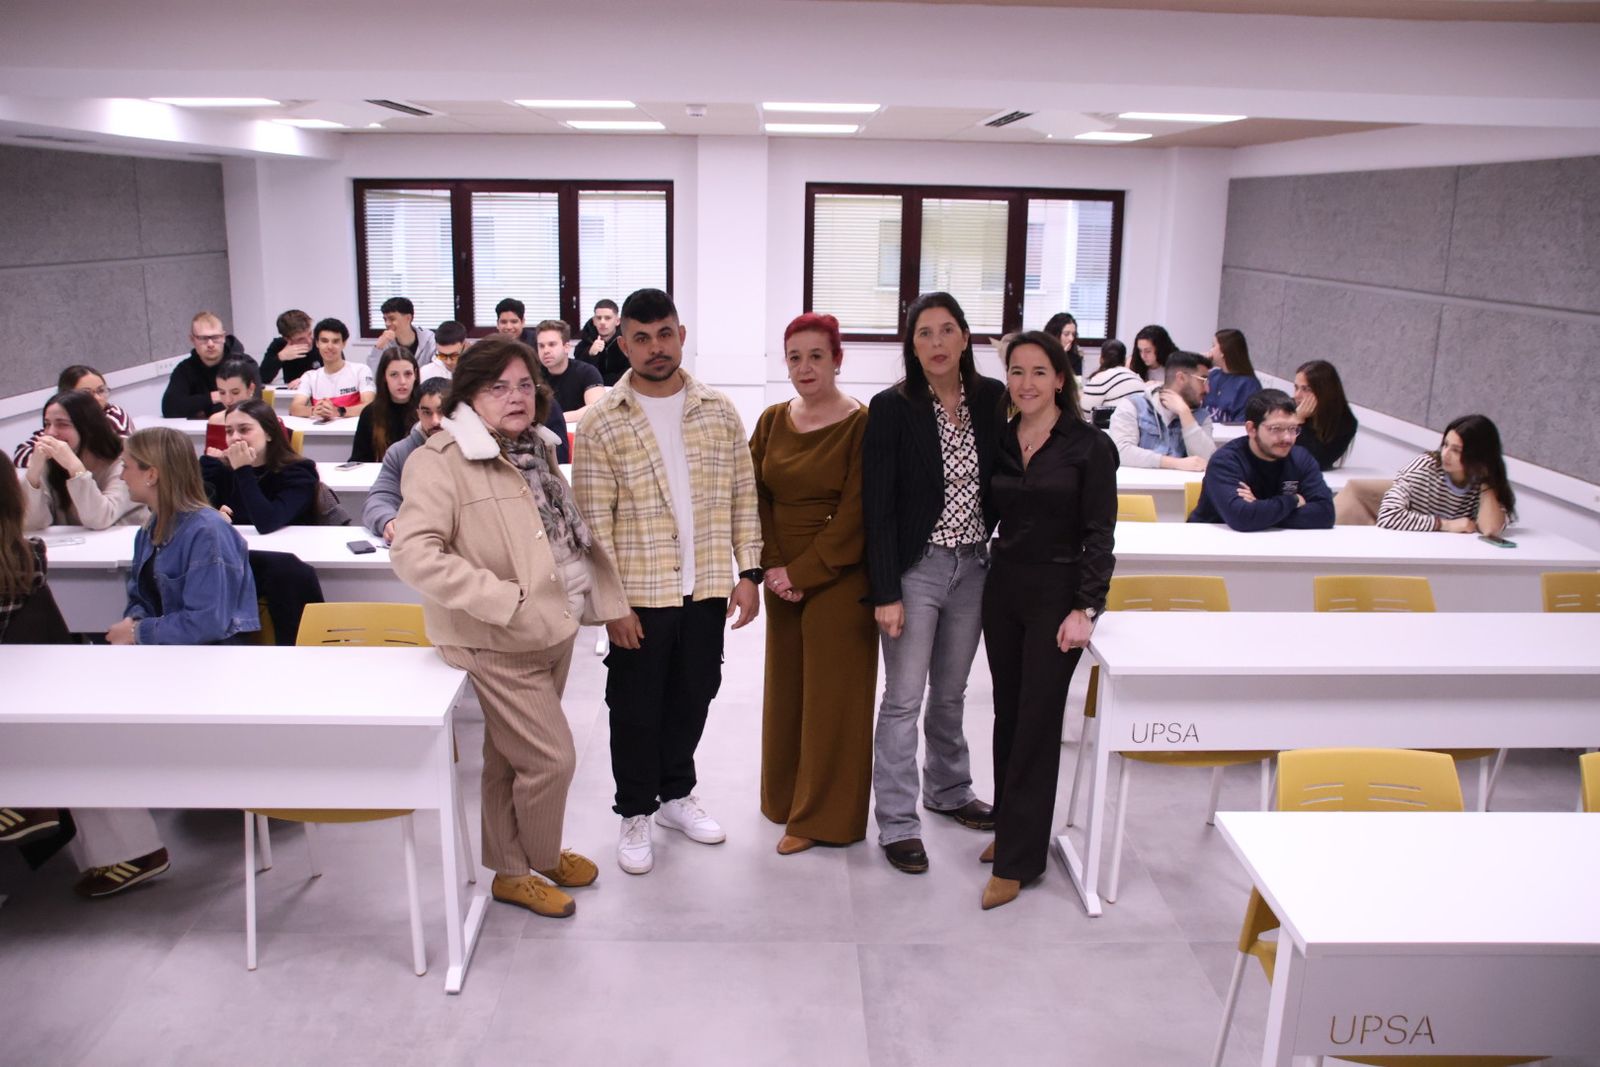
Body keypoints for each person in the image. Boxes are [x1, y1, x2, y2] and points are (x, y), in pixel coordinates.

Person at [391, 336, 628, 920]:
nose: (516, 397)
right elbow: (415, 555)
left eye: (525, 385)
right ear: (469, 396)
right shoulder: (439, 460)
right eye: (498, 387)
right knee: (551, 759)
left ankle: (513, 870)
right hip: (497, 634)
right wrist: (504, 600)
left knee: (508, 756)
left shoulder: (534, 447)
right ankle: (539, 853)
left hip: (553, 624)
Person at [571, 288, 762, 877]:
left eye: (666, 334)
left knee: (696, 692)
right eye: (642, 338)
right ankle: (635, 810)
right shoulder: (605, 418)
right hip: (639, 595)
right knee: (634, 708)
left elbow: (742, 495)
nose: (656, 348)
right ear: (622, 342)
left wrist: (748, 570)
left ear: (681, 334)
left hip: (704, 585)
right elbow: (591, 525)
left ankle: (676, 796)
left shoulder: (718, 410)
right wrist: (611, 606)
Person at [862, 291, 1005, 875]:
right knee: (902, 700)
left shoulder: (993, 400)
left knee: (950, 694)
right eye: (925, 333)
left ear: (966, 338)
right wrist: (886, 592)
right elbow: (879, 506)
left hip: (974, 566)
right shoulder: (892, 407)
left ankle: (948, 790)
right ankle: (897, 822)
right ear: (911, 345)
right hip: (916, 570)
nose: (937, 343)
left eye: (948, 331)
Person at [90, 427, 260, 897]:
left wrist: (139, 633)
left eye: (129, 465)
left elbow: (207, 622)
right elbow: (139, 596)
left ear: (154, 474)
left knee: (96, 723)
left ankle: (129, 841)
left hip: (209, 668)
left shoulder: (207, 532)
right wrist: (135, 625)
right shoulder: (151, 528)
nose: (122, 473)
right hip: (167, 658)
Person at [980, 330, 1116, 909]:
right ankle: (1012, 824)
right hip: (1003, 587)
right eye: (1016, 371)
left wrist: (1086, 608)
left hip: (1058, 593)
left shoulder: (1088, 446)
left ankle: (1019, 860)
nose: (1026, 383)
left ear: (1061, 378)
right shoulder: (1002, 438)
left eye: (1039, 371)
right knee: (1008, 713)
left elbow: (1100, 534)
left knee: (1038, 720)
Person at [748, 313, 875, 855]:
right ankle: (784, 798)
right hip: (782, 574)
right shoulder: (773, 419)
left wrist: (802, 571)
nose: (804, 367)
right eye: (795, 357)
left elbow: (859, 510)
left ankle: (824, 818)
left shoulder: (862, 423)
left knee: (834, 697)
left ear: (838, 359)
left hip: (840, 573)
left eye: (816, 356)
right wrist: (773, 568)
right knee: (787, 688)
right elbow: (755, 495)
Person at [1189, 390, 1335, 530]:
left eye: (1293, 429)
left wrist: (1259, 508)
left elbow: (1326, 513)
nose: (1287, 438)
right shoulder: (1226, 461)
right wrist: (1294, 500)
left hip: (1273, 545)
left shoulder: (1301, 458)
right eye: (1276, 429)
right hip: (1212, 546)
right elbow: (1241, 518)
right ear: (1251, 429)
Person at [21, 390, 146, 531]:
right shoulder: (51, 462)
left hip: (122, 546)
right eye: (47, 424)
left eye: (62, 424)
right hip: (73, 548)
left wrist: (75, 469)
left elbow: (99, 519)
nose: (51, 433)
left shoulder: (125, 460)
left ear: (88, 428)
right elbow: (33, 524)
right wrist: (33, 473)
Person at [1377, 414, 1514, 536]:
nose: (1445, 454)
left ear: (1477, 456)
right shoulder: (1425, 467)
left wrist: (1487, 481)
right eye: (1445, 445)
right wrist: (1446, 524)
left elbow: (1490, 529)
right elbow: (1388, 515)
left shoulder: (1482, 481)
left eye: (1456, 450)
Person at [200, 399, 320, 532]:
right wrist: (215, 516)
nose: (235, 437)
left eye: (244, 429)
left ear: (269, 433)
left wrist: (243, 469)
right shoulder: (223, 469)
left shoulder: (299, 472)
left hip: (289, 547)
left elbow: (267, 522)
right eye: (229, 431)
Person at [363, 378, 449, 544]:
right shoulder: (400, 452)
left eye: (442, 411)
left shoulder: (475, 451)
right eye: (427, 412)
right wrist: (387, 520)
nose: (435, 421)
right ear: (417, 413)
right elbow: (379, 498)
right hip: (418, 541)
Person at [1108, 350, 1216, 471]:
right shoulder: (1133, 406)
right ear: (1181, 378)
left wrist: (1185, 414)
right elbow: (1120, 452)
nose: (1207, 389)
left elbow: (1208, 460)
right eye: (1203, 380)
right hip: (1142, 488)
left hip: (1182, 488)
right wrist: (1176, 463)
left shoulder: (1202, 416)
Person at [13, 364, 135, 466]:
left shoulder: (113, 415)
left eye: (101, 390)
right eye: (86, 393)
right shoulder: (60, 421)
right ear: (67, 396)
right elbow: (21, 454)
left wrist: (57, 454)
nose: (97, 398)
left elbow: (114, 453)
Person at [161, 311, 251, 418]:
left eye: (215, 337)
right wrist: (212, 397)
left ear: (223, 337)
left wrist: (201, 409)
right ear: (192, 339)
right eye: (203, 338)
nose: (210, 344)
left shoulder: (244, 364)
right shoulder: (184, 369)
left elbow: (251, 403)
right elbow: (170, 407)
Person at [289, 318, 375, 422]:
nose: (329, 346)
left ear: (343, 343)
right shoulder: (309, 376)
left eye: (335, 341)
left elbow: (370, 406)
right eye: (324, 341)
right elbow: (294, 408)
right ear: (317, 343)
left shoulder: (361, 370)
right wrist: (314, 410)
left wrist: (338, 411)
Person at [349, 350, 419, 462]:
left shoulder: (425, 410)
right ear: (384, 377)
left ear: (415, 374)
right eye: (394, 375)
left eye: (408, 374)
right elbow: (359, 459)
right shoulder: (370, 413)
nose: (402, 381)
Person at [533, 319, 606, 421]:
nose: (546, 351)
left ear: (566, 347)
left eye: (552, 344)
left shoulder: (587, 372)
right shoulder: (533, 374)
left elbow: (596, 408)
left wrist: (556, 419)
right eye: (541, 346)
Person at [1292, 359, 1359, 470]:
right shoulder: (1285, 407)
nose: (1296, 395)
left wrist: (1298, 422)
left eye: (1306, 389)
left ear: (1324, 391)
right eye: (1296, 388)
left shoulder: (1345, 422)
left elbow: (1318, 462)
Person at [204, 357, 262, 454]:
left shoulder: (267, 419)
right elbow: (208, 462)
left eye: (235, 392)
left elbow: (280, 461)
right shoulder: (216, 420)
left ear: (251, 389)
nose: (228, 400)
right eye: (222, 393)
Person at [1203, 328, 1262, 424]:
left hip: (1226, 437)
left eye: (1213, 346)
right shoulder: (1213, 375)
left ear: (1223, 351)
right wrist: (1200, 363)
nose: (1210, 350)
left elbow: (1242, 424)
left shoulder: (1248, 385)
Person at [1077, 339, 1144, 422]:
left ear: (1101, 358)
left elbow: (1085, 413)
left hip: (1111, 431)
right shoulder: (1137, 378)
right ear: (1124, 359)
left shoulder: (1100, 379)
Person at [370, 296, 438, 371]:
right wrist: (378, 348)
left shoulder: (430, 339)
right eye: (385, 319)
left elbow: (439, 369)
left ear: (408, 318)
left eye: (392, 319)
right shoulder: (385, 344)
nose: (387, 324)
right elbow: (373, 374)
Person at [259, 309, 319, 387]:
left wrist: (306, 381)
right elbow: (262, 378)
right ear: (287, 339)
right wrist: (279, 358)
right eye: (301, 339)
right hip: (291, 394)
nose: (309, 341)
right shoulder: (279, 345)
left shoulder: (322, 342)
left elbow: (337, 373)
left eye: (310, 334)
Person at [577, 298, 623, 374]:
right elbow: (580, 375)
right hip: (593, 385)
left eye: (607, 318)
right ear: (594, 321)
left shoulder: (626, 343)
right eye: (599, 318)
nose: (602, 322)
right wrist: (590, 355)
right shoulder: (583, 345)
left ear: (617, 321)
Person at [1042, 311, 1084, 376]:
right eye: (1066, 334)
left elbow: (1076, 383)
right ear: (1054, 335)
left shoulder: (1076, 358)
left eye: (1073, 334)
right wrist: (1061, 355)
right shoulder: (1041, 354)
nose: (1071, 338)